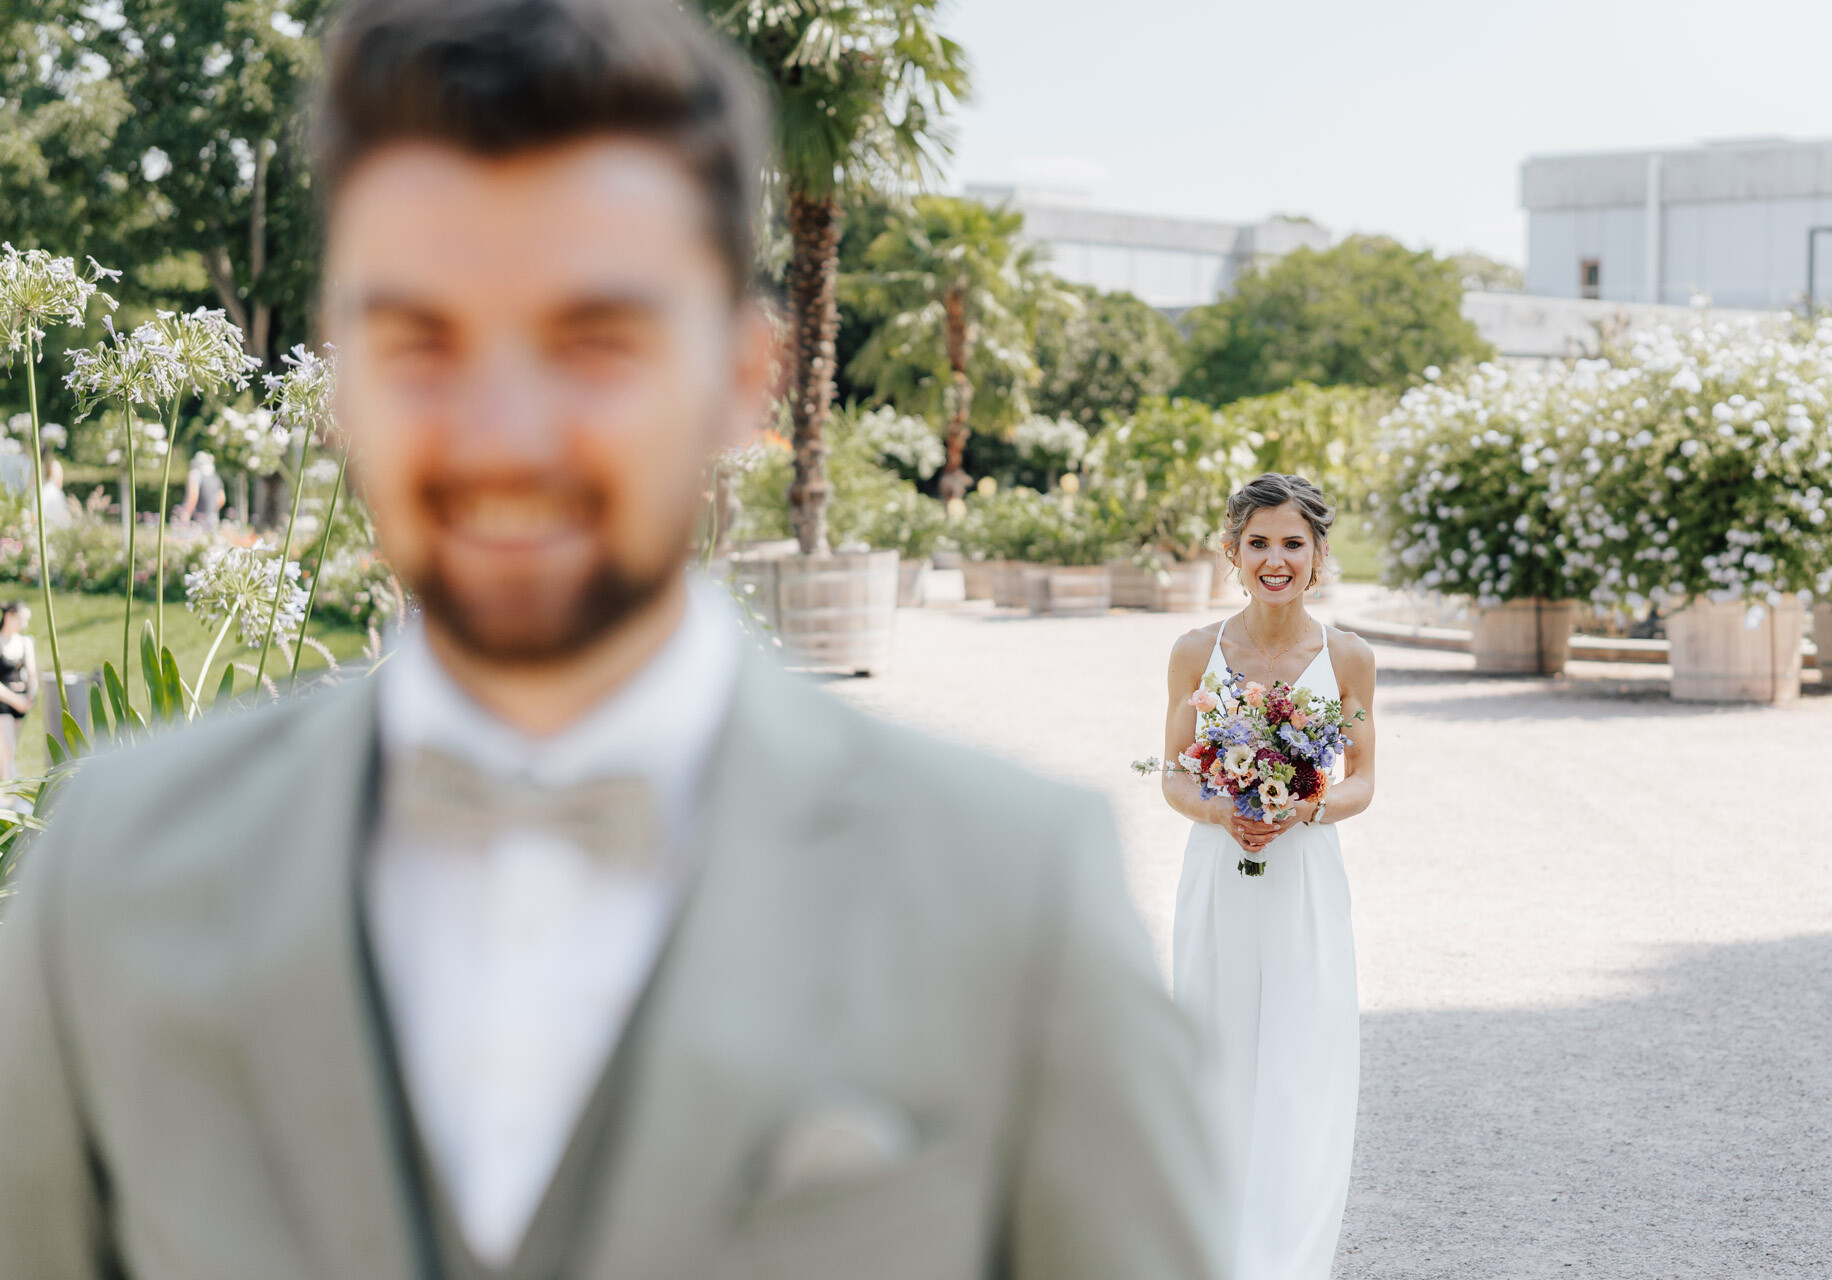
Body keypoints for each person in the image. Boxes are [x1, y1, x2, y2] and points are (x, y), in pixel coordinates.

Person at [0, 3, 1225, 1279]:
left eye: (594, 341)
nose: (504, 432)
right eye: (423, 340)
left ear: (743, 377)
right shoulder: (113, 870)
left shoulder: (1014, 895)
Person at [1161, 474, 1378, 1280]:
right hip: (1220, 876)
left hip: (1305, 880)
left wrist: (1305, 806)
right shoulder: (1195, 652)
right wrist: (1221, 809)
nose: (1275, 560)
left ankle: (1287, 1260)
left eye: (1293, 543)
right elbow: (1173, 775)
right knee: (1216, 1052)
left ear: (1318, 553)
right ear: (1233, 550)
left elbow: (1363, 780)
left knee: (1302, 1062)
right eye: (1258, 543)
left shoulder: (1349, 657)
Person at [0, 603, 37, 783]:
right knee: (7, 749)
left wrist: (30, 696)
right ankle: (11, 791)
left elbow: (32, 673)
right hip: (3, 701)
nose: (24, 624)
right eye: (21, 619)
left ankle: (7, 786)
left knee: (10, 748)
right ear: (9, 616)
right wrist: (15, 700)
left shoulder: (25, 642)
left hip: (21, 700)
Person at [176, 450, 225, 526]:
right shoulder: (216, 478)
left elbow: (193, 495)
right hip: (213, 518)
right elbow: (222, 498)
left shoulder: (195, 475)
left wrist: (187, 513)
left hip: (197, 520)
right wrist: (211, 510)